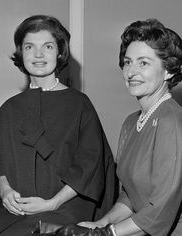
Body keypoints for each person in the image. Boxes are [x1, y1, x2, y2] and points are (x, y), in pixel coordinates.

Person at [0, 15, 117, 236]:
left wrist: (53, 203)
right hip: (9, 206)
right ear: (21, 53)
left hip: (64, 204)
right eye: (29, 47)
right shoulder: (10, 108)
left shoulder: (79, 105)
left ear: (60, 52)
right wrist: (6, 191)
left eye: (47, 46)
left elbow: (89, 165)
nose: (38, 55)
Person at [72, 18, 182, 236]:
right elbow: (130, 196)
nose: (131, 71)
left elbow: (160, 209)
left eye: (143, 63)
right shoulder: (131, 122)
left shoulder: (172, 121)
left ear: (168, 70)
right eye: (128, 62)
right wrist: (101, 223)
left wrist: (107, 233)